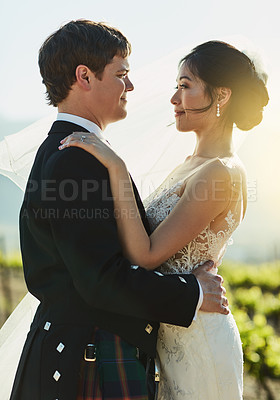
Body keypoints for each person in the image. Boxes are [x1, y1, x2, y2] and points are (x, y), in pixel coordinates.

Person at [7, 21, 228, 400]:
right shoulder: (74, 158)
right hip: (87, 359)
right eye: (122, 74)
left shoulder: (77, 152)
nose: (131, 87)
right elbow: (100, 279)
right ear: (85, 77)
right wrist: (191, 293)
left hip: (88, 353)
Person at [60, 40, 269, 399]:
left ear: (221, 96)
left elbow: (147, 255)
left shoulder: (220, 173)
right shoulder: (189, 165)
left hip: (199, 341)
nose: (174, 99)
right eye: (176, 86)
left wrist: (117, 167)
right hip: (169, 332)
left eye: (185, 87)